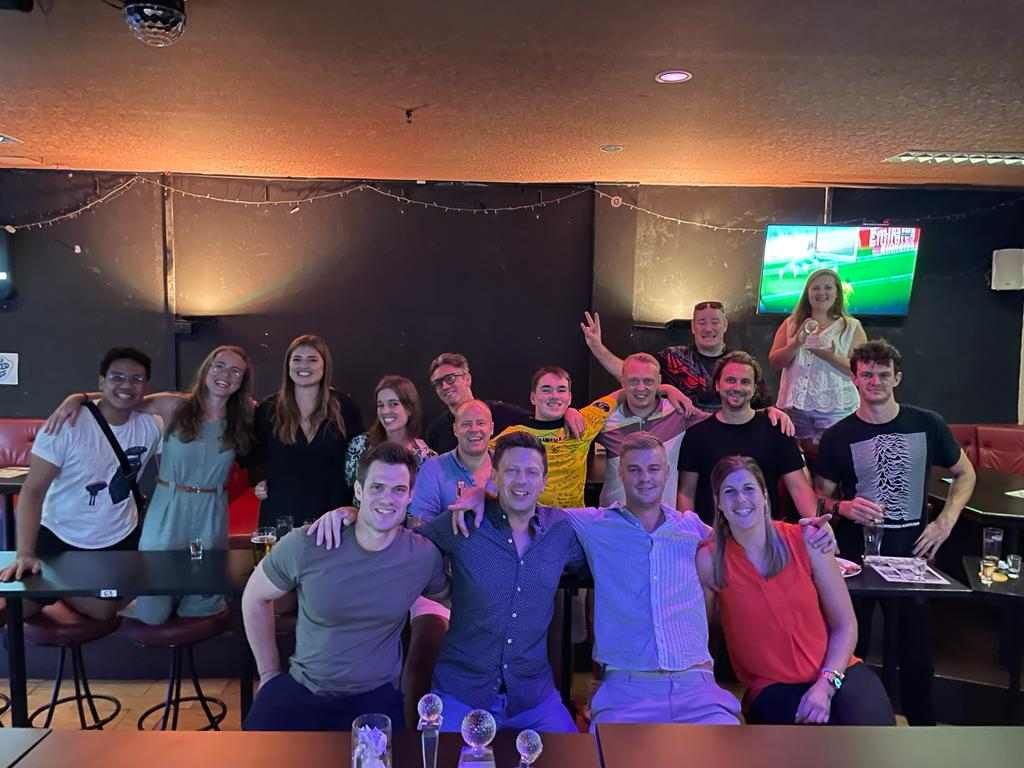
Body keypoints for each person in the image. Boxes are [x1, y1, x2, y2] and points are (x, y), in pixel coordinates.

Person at [448, 432, 837, 726]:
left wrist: (810, 531)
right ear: (621, 473)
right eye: (634, 469)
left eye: (653, 469)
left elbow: (750, 525)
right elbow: (525, 500)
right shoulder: (592, 525)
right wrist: (482, 492)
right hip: (626, 692)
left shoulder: (695, 530)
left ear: (667, 473)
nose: (645, 478)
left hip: (698, 688)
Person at [310, 432, 587, 733]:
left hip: (534, 698)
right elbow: (399, 543)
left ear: (544, 480)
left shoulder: (561, 530)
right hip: (463, 693)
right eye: (511, 471)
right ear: (493, 476)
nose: (522, 480)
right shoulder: (465, 521)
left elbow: (611, 534)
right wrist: (354, 513)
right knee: (435, 757)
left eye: (531, 472)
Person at [814, 339, 976, 726]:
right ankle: (848, 733)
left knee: (917, 655)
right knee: (852, 649)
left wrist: (945, 521)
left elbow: (965, 474)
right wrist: (843, 507)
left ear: (897, 378)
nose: (875, 381)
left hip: (912, 560)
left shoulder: (928, 423)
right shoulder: (838, 436)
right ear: (854, 378)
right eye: (867, 374)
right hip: (857, 560)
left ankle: (922, 734)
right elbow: (819, 499)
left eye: (883, 374)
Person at [37, 346, 257, 624]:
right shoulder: (173, 405)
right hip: (168, 505)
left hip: (210, 511)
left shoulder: (244, 416)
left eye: (235, 370)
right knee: (154, 611)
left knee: (200, 604)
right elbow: (121, 399)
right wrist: (77, 398)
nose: (225, 374)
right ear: (207, 369)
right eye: (219, 366)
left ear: (242, 380)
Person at [242, 442, 447, 731]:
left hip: (375, 699)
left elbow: (451, 599)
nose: (387, 498)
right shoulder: (310, 542)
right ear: (359, 491)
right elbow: (254, 596)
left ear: (411, 495)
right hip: (303, 691)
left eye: (399, 490)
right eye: (377, 487)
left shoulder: (423, 556)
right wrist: (268, 672)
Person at [697, 455, 894, 725]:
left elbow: (846, 624)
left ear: (765, 496)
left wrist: (826, 685)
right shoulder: (710, 560)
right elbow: (700, 635)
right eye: (729, 492)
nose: (741, 500)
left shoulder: (807, 538)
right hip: (773, 688)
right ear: (718, 502)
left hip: (837, 669)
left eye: (749, 489)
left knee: (874, 740)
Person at [0, 348, 163, 620]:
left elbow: (188, 401)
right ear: (101, 381)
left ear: (146, 386)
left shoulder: (152, 425)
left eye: (137, 379)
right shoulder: (66, 424)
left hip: (117, 537)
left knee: (104, 611)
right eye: (117, 377)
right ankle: (57, 586)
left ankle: (56, 588)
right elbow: (32, 491)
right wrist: (25, 553)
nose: (126, 385)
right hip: (59, 535)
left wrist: (82, 396)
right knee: (12, 610)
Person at [678, 351, 818, 523]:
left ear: (754, 389)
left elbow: (799, 488)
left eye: (745, 382)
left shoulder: (776, 429)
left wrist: (818, 527)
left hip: (764, 537)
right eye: (730, 380)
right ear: (717, 385)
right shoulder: (696, 436)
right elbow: (686, 494)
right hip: (712, 538)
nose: (737, 387)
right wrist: (690, 536)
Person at [248, 334, 363, 526]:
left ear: (325, 365)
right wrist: (258, 480)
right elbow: (253, 454)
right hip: (281, 515)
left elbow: (359, 459)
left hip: (333, 518)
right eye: (297, 359)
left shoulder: (345, 407)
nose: (304, 365)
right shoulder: (268, 409)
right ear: (288, 365)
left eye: (312, 359)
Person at [581, 302, 770, 411]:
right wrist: (597, 347)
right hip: (679, 444)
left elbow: (763, 407)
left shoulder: (740, 364)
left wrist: (774, 413)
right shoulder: (673, 357)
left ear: (725, 325)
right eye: (702, 322)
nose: (708, 328)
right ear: (693, 327)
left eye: (715, 322)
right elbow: (630, 375)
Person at [768, 268, 867, 442]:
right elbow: (775, 362)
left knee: (833, 461)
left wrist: (826, 354)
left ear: (837, 293)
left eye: (828, 288)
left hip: (837, 410)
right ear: (808, 293)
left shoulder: (852, 326)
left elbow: (861, 370)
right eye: (816, 288)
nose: (822, 292)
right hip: (795, 409)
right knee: (796, 462)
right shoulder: (791, 323)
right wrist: (797, 343)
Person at [596, 352, 705, 507]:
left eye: (648, 381)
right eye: (633, 381)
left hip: (664, 523)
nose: (641, 388)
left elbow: (722, 421)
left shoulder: (679, 412)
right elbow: (575, 423)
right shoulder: (605, 419)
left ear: (658, 381)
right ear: (622, 382)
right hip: (614, 521)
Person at [423, 352, 584, 454]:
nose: (444, 386)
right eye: (438, 383)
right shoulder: (436, 430)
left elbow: (540, 421)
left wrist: (568, 412)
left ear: (467, 379)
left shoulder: (501, 413)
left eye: (450, 378)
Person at [344, 375, 435, 494]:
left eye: (393, 404)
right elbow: (347, 490)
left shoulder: (427, 458)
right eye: (380, 405)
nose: (385, 411)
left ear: (409, 409)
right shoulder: (360, 444)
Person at [410, 399, 494, 523]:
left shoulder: (507, 467)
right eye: (466, 424)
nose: (474, 429)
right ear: (455, 429)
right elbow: (420, 526)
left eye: (481, 423)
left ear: (491, 428)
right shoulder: (432, 469)